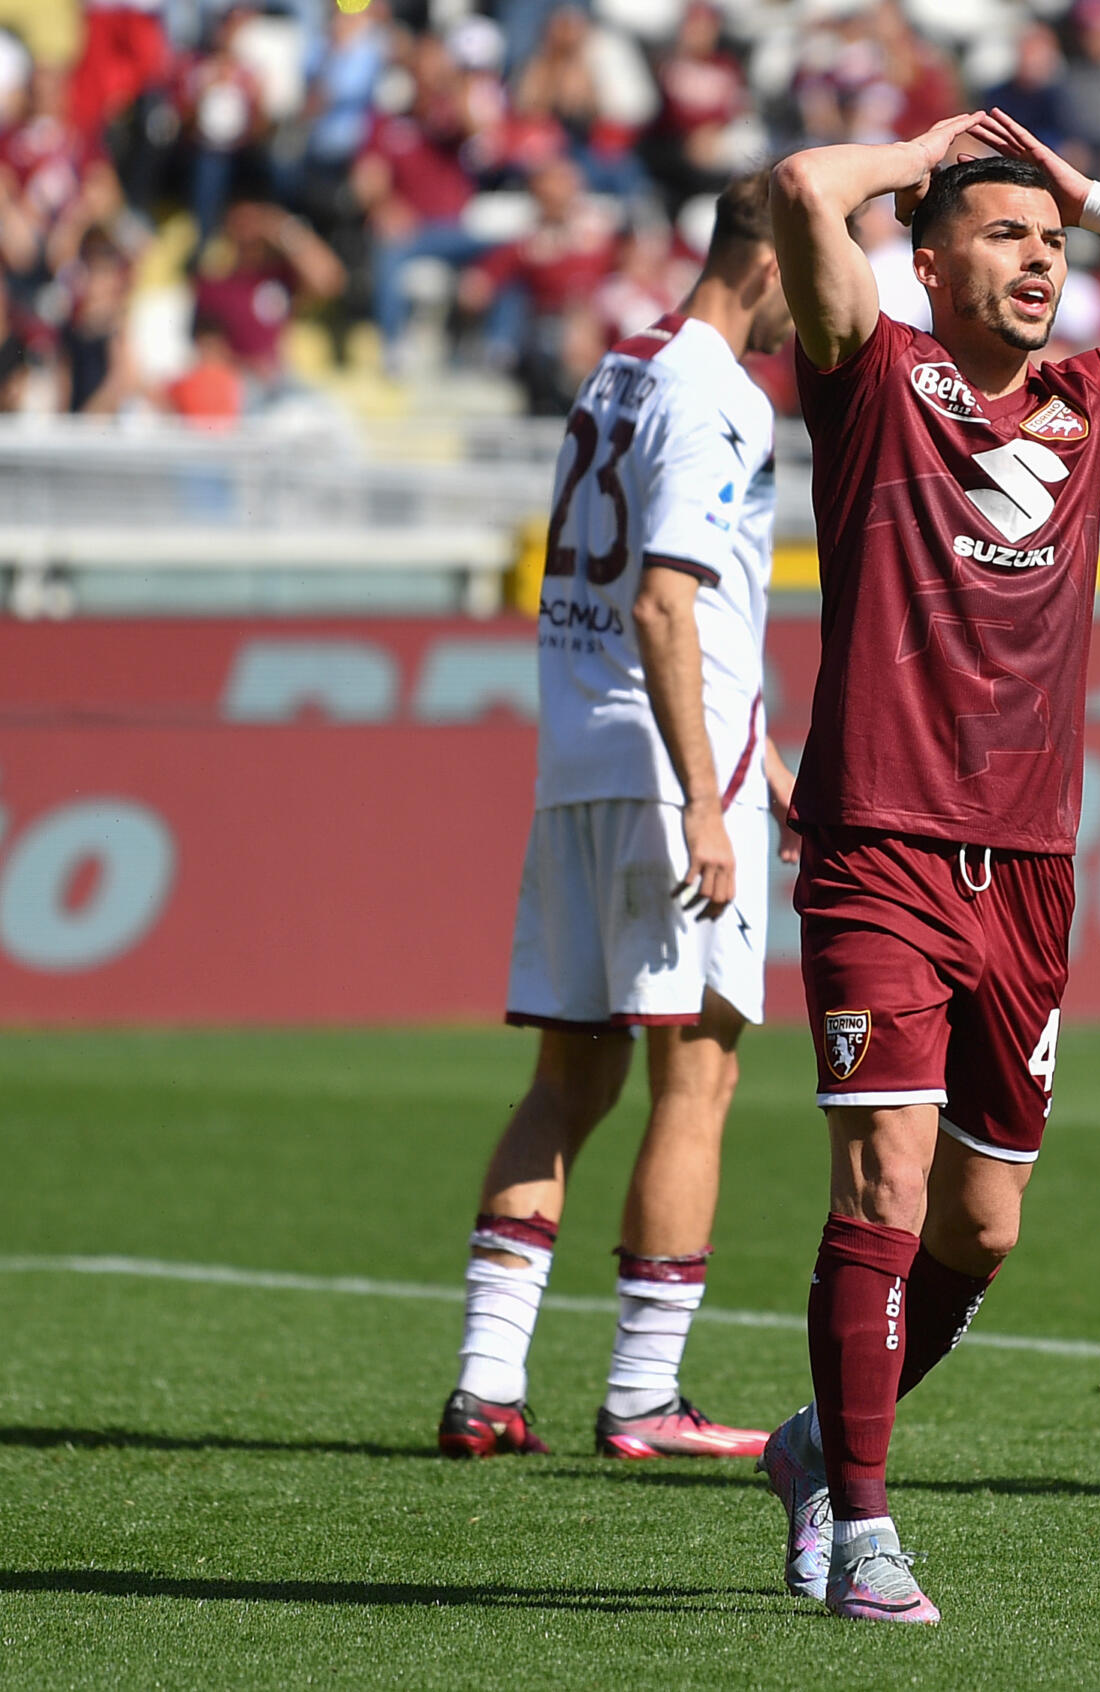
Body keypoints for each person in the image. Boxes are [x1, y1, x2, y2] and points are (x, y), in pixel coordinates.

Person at [755, 107, 1100, 1623]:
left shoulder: (1097, 400)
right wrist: (924, 152)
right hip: (881, 846)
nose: (1039, 262)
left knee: (983, 1225)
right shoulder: (872, 378)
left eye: (1048, 247)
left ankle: (817, 1445)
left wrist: (1096, 194)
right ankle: (863, 1529)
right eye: (1004, 236)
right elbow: (805, 187)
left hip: (1036, 867)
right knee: (882, 1176)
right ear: (925, 261)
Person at [437, 174, 800, 1464]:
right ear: (768, 265)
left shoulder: (620, 373)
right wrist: (712, 795)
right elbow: (665, 605)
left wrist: (761, 767)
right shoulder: (721, 396)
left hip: (582, 756)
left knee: (568, 1079)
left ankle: (487, 1385)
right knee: (698, 1073)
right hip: (663, 772)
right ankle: (645, 1397)